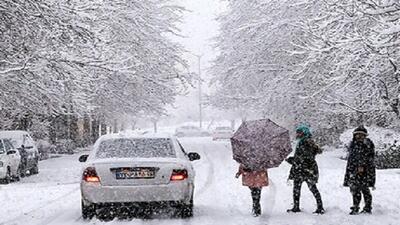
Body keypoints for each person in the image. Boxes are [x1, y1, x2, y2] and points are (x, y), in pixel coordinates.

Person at [286, 124, 325, 214]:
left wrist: (292, 160)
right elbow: (302, 157)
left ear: (304, 133)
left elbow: (305, 158)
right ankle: (317, 206)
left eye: (299, 132)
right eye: (297, 132)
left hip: (305, 169)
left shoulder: (306, 142)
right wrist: (293, 159)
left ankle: (319, 207)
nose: (297, 134)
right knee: (303, 188)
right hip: (305, 169)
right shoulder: (305, 142)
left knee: (308, 188)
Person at [344, 126, 376, 215]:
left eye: (362, 135)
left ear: (365, 136)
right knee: (354, 189)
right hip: (353, 169)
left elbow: (369, 157)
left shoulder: (368, 144)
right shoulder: (353, 143)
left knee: (364, 189)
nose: (359, 137)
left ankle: (367, 207)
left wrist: (362, 165)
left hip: (365, 171)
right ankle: (355, 206)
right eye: (357, 135)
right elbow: (352, 157)